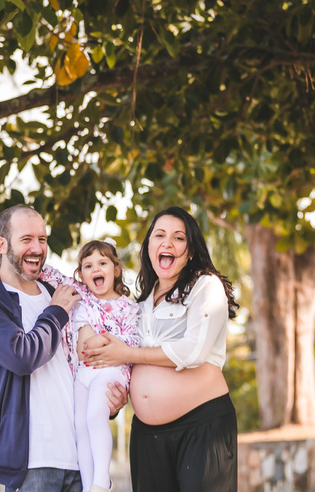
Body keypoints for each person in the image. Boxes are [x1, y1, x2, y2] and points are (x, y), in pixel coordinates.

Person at [0, 205, 128, 492]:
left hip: (80, 461)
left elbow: (83, 362)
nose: (37, 248)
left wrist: (108, 400)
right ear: (2, 245)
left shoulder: (59, 293)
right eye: (26, 239)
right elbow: (21, 356)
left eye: (42, 239)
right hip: (32, 463)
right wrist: (56, 312)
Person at [81, 205, 240, 492]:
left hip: (201, 426)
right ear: (149, 247)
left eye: (179, 238)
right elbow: (125, 364)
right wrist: (118, 397)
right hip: (146, 436)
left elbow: (193, 351)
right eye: (159, 235)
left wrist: (129, 354)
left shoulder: (206, 286)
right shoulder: (138, 306)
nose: (167, 243)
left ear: (190, 252)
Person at [41, 241, 139, 492]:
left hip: (110, 369)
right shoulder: (81, 294)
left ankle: (102, 481)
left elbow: (134, 340)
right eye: (88, 265)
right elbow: (53, 275)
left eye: (102, 263)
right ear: (82, 274)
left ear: (116, 269)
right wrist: (12, 266)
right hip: (82, 374)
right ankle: (88, 486)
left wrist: (104, 339)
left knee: (96, 416)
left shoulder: (128, 307)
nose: (96, 268)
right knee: (81, 426)